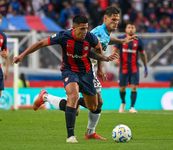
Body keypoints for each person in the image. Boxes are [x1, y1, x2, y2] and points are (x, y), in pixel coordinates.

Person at [33, 6, 137, 140]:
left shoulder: (104, 32)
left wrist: (120, 41)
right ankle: (46, 97)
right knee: (82, 106)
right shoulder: (98, 31)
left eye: (117, 19)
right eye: (113, 19)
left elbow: (104, 42)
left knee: (93, 104)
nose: (116, 22)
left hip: (89, 69)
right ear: (105, 18)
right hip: (83, 68)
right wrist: (101, 65)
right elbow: (93, 50)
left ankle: (90, 132)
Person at [13, 14, 119, 143]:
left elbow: (98, 49)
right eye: (81, 29)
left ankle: (45, 97)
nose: (85, 32)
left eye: (86, 28)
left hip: (86, 72)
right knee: (73, 97)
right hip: (70, 71)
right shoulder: (63, 36)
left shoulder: (90, 37)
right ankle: (71, 136)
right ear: (73, 28)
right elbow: (41, 43)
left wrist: (100, 67)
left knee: (93, 107)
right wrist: (22, 55)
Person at [112, 22, 148, 113]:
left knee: (134, 87)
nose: (131, 29)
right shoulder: (121, 39)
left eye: (132, 27)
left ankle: (132, 107)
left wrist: (145, 67)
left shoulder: (138, 41)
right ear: (126, 29)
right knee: (122, 88)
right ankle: (123, 102)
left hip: (134, 68)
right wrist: (114, 58)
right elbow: (114, 50)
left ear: (135, 29)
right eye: (129, 27)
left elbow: (143, 54)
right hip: (123, 68)